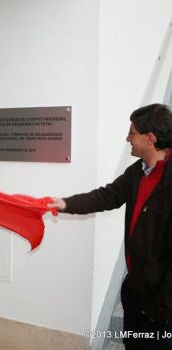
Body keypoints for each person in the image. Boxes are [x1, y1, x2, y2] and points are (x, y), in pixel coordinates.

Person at [48, 103, 172, 350]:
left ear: (150, 138)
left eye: (132, 133)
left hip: (160, 303)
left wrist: (161, 308)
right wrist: (64, 203)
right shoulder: (138, 171)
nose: (127, 138)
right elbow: (108, 196)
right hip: (136, 290)